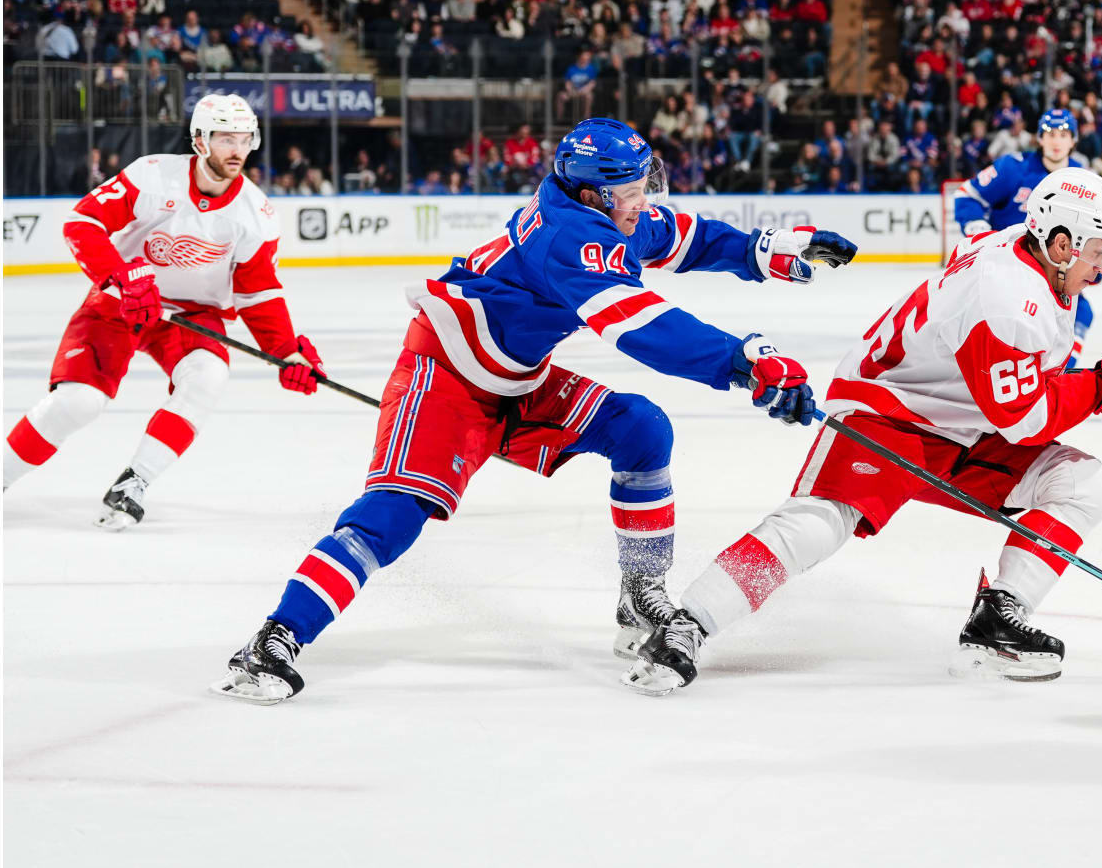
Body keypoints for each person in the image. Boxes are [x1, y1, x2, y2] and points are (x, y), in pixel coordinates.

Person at [211, 119, 863, 703]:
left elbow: (680, 236)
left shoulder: (600, 212)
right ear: (595, 196)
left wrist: (759, 250)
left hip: (516, 381)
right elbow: (641, 327)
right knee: (393, 514)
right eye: (633, 191)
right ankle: (276, 638)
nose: (644, 201)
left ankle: (640, 598)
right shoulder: (569, 238)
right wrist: (741, 361)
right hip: (446, 380)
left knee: (641, 429)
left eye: (644, 185)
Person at [624, 167, 1102, 694]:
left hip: (965, 421)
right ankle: (688, 625)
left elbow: (1019, 389)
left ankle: (998, 618)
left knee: (1083, 483)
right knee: (820, 522)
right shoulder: (1007, 298)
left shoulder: (1032, 260)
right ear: (1062, 244)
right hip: (890, 412)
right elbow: (1022, 419)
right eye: (1097, 251)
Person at [3, 94, 324, 529]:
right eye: (225, 138)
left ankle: (133, 482)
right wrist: (122, 277)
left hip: (192, 315)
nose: (237, 150)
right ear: (200, 140)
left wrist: (287, 351)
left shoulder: (257, 215)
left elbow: (258, 291)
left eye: (245, 138)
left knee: (208, 377)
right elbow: (83, 223)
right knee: (79, 402)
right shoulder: (153, 176)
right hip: (122, 301)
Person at [951, 108, 1097, 366]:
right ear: (1039, 138)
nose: (1056, 141)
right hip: (1007, 267)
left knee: (1081, 312)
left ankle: (1060, 372)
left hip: (1052, 271)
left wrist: (1091, 261)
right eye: (1050, 134)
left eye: (1063, 134)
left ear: (1073, 140)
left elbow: (1091, 230)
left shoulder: (1084, 181)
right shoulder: (1013, 168)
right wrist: (982, 235)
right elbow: (967, 194)